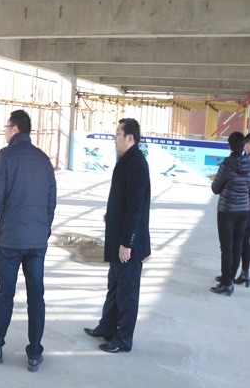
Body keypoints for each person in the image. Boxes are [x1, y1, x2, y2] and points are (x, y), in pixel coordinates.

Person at [0, 109, 56, 372]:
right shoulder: (44, 159)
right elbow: (51, 201)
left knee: (5, 293)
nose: (4, 131)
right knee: (36, 296)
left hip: (11, 240)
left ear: (15, 129)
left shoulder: (6, 156)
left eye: (6, 126)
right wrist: (44, 230)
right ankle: (34, 354)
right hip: (37, 242)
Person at [84, 118, 150, 353]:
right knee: (114, 287)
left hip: (127, 245)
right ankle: (107, 327)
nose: (114, 139)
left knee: (127, 293)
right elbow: (123, 198)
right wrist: (111, 213)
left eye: (118, 134)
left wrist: (126, 243)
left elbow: (135, 208)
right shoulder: (126, 160)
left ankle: (123, 339)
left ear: (129, 137)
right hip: (118, 238)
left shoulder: (137, 164)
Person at [211, 131, 250, 295]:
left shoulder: (226, 164)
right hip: (244, 211)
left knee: (226, 248)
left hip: (227, 211)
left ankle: (226, 283)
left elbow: (215, 188)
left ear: (230, 146)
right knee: (237, 246)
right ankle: (230, 278)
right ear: (243, 145)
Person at [234, 134, 250, 287]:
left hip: (246, 207)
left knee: (244, 241)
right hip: (242, 206)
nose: (245, 146)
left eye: (247, 144)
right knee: (244, 240)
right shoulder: (244, 158)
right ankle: (242, 273)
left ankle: (244, 273)